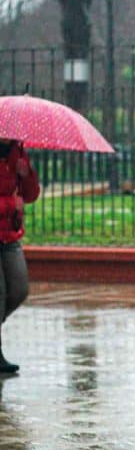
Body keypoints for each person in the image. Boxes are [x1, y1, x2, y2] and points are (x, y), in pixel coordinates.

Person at [0, 139, 40, 375]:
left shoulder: (18, 151)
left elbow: (31, 195)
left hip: (10, 233)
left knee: (18, 289)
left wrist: (26, 173)